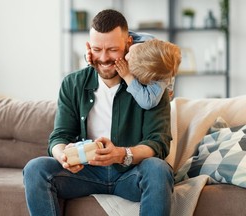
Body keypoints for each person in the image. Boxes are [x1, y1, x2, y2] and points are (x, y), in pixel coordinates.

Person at [23, 9, 174, 216]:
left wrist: (121, 154)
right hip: (86, 172)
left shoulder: (151, 87)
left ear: (128, 44)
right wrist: (63, 156)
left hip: (130, 173)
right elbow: (60, 136)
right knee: (35, 169)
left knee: (158, 169)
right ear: (88, 47)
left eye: (112, 49)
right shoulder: (73, 84)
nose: (103, 58)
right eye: (97, 49)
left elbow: (158, 142)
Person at [115, 39, 181, 109]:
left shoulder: (159, 82)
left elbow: (147, 102)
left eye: (130, 62)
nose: (126, 57)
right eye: (131, 52)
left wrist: (128, 76)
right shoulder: (144, 42)